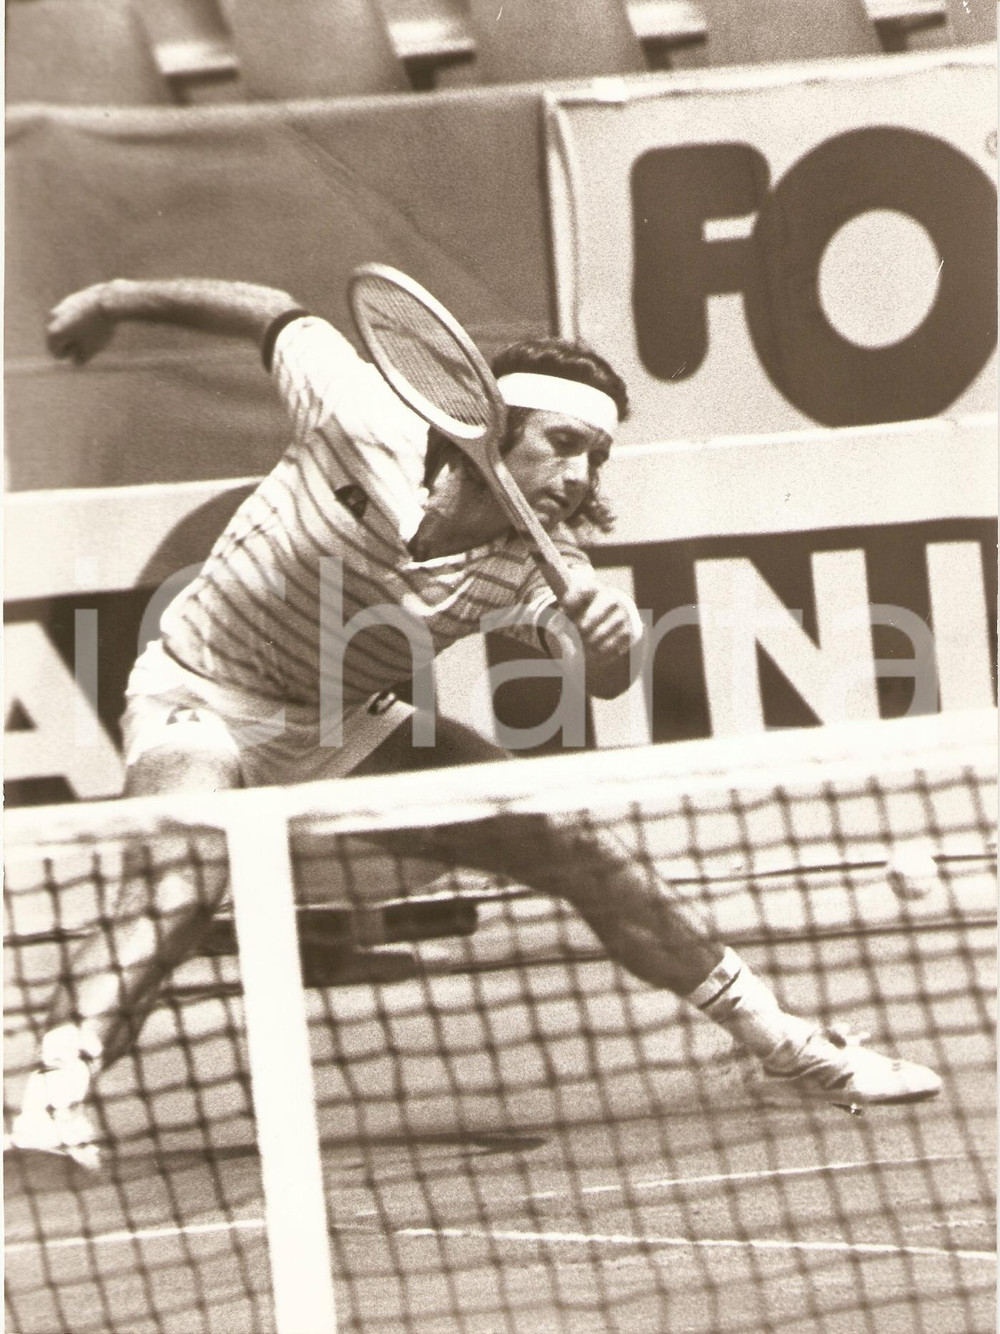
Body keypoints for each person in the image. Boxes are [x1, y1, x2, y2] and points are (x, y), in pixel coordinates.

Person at [11, 277, 940, 1167]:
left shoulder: (539, 563)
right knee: (186, 868)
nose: (579, 475)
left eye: (597, 457)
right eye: (564, 443)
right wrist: (113, 300)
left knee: (568, 839)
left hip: (344, 726)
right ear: (495, 428)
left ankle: (782, 1045)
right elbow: (270, 311)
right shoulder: (357, 413)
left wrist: (608, 640)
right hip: (200, 692)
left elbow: (602, 674)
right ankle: (51, 1099)